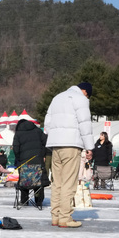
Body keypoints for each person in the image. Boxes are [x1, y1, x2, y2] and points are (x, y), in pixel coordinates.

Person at [44, 82, 94, 227]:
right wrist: (89, 147)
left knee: (57, 182)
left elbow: (47, 122)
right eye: (88, 95)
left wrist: (55, 135)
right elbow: (85, 123)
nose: (87, 98)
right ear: (84, 91)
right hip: (71, 145)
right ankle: (65, 218)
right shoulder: (80, 99)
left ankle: (55, 216)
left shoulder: (57, 97)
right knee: (69, 183)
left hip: (55, 145)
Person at [12, 117, 48, 206]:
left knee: (25, 181)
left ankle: (24, 200)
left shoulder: (18, 134)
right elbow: (46, 142)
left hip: (24, 162)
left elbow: (16, 149)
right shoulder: (38, 131)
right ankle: (38, 200)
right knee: (38, 181)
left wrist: (19, 158)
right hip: (38, 160)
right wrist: (42, 154)